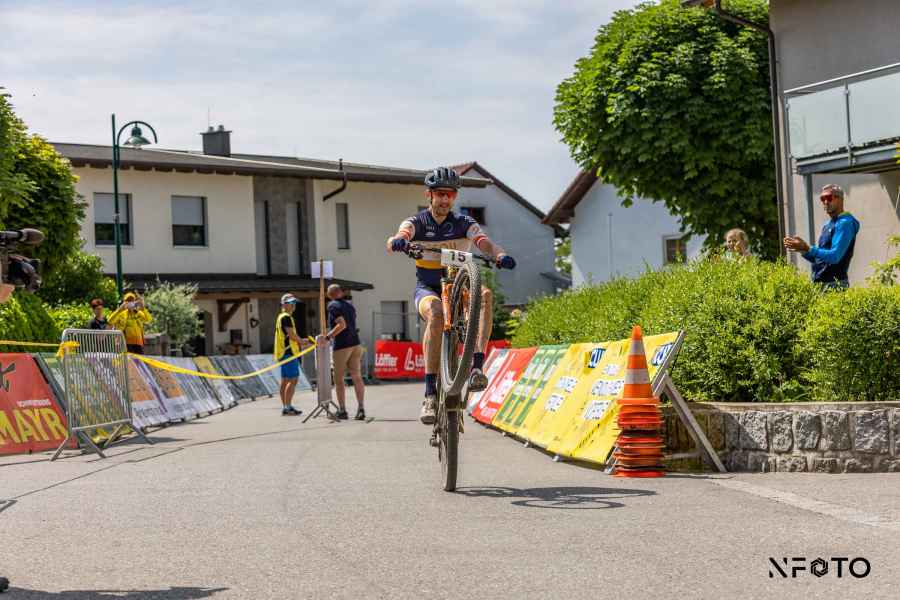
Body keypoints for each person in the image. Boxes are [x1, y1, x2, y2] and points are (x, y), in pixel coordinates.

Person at [386, 166, 516, 424]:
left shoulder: (464, 223)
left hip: (460, 284)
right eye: (440, 194)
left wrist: (499, 255)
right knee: (436, 314)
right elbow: (399, 236)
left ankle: (477, 366)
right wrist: (398, 242)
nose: (445, 199)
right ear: (429, 195)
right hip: (428, 289)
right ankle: (430, 395)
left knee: (486, 295)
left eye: (450, 194)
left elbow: (484, 243)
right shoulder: (416, 222)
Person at [784, 184, 861, 289]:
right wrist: (802, 250)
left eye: (829, 197)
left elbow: (835, 257)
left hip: (835, 286)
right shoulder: (827, 225)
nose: (825, 202)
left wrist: (807, 248)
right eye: (822, 199)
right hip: (820, 286)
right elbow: (820, 260)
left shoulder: (845, 223)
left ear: (840, 199)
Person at [325, 284, 366, 420]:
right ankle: (361, 409)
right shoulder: (350, 306)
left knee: (338, 379)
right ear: (341, 292)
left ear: (329, 294)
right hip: (356, 344)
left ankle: (342, 410)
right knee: (357, 376)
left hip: (342, 346)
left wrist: (328, 336)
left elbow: (342, 325)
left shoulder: (332, 306)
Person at [275, 293, 313, 416]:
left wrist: (301, 341)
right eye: (291, 303)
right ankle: (287, 407)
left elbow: (290, 336)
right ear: (284, 304)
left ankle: (286, 406)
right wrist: (302, 341)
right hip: (288, 352)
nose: (293, 305)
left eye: (294, 302)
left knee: (285, 380)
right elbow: (291, 335)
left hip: (284, 352)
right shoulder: (286, 317)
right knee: (293, 380)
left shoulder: (281, 316)